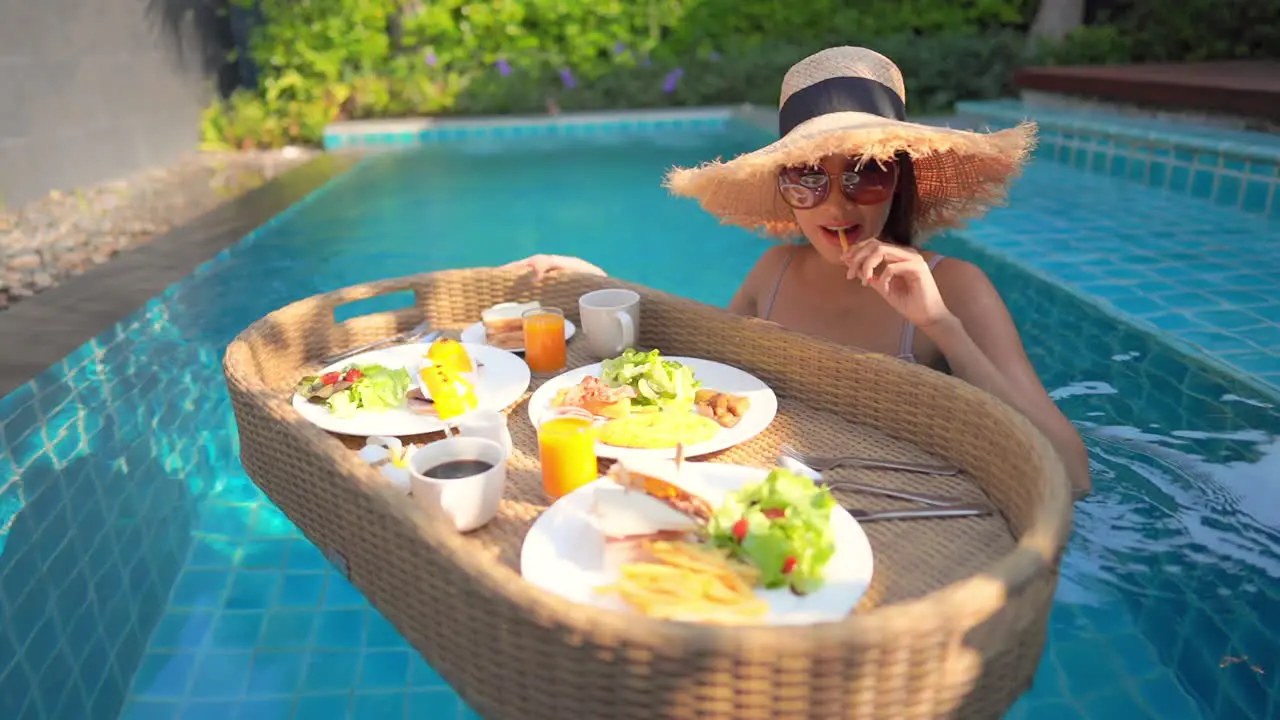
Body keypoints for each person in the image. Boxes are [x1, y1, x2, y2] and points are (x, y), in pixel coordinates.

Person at [500, 47, 1091, 497]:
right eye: (809, 178)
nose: (838, 205)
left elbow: (1070, 470)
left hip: (899, 505)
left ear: (900, 181)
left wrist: (941, 324)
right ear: (786, 192)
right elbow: (697, 364)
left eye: (866, 174)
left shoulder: (957, 288)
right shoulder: (775, 271)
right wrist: (600, 286)